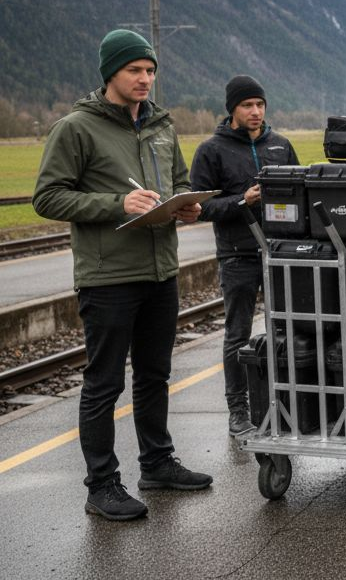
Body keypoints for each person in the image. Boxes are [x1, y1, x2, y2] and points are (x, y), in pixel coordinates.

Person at [33, 29, 214, 522]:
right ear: (110, 72)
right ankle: (102, 485)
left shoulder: (162, 125)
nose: (145, 78)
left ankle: (156, 464)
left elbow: (179, 183)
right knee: (104, 383)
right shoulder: (76, 127)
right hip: (108, 275)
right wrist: (118, 203)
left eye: (150, 70)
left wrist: (186, 206)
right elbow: (47, 197)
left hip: (161, 270)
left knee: (155, 375)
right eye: (135, 69)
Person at [189, 75, 299, 436]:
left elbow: (299, 193)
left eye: (260, 104)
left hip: (280, 254)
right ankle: (238, 409)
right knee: (237, 334)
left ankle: (284, 402)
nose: (256, 111)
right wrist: (243, 201)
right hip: (237, 256)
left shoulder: (281, 145)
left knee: (285, 331)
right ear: (232, 110)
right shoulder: (211, 150)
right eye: (247, 105)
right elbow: (200, 208)